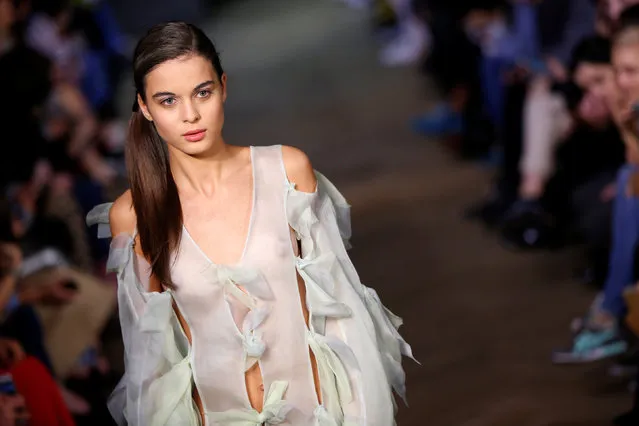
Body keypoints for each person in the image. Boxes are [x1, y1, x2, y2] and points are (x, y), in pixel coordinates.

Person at [86, 21, 415, 425]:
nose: (190, 115)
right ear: (145, 107)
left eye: (202, 93)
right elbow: (150, 363)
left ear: (223, 86)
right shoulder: (134, 215)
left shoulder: (286, 171)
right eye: (168, 100)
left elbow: (341, 314)